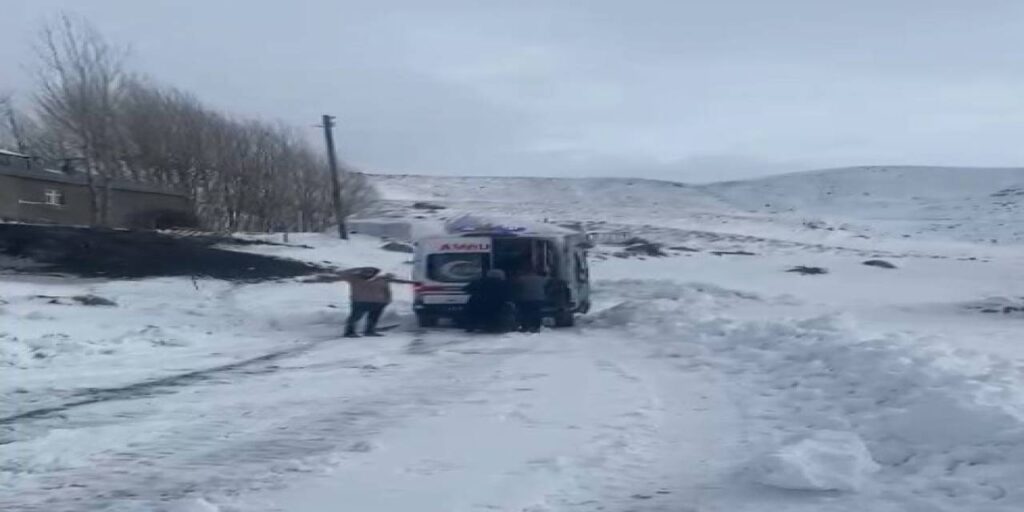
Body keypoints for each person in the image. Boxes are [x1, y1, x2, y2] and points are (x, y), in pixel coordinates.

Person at [331, 267, 413, 338]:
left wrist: (387, 300)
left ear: (375, 273)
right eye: (366, 271)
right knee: (355, 318)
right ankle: (349, 332)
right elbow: (342, 274)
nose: (368, 273)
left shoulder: (381, 280)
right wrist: (358, 269)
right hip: (360, 302)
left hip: (378, 302)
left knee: (373, 318)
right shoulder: (354, 278)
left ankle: (369, 331)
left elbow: (386, 290)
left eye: (371, 272)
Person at [463, 269, 514, 333]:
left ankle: (471, 325)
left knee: (471, 311)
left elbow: (466, 289)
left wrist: (476, 292)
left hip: (479, 303)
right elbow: (509, 294)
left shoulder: (480, 282)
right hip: (497, 304)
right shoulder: (504, 283)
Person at [513, 267, 549, 333]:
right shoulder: (541, 279)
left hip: (525, 299)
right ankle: (536, 326)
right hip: (538, 299)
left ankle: (525, 326)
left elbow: (517, 287)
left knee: (524, 312)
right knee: (536, 312)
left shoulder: (521, 279)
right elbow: (547, 284)